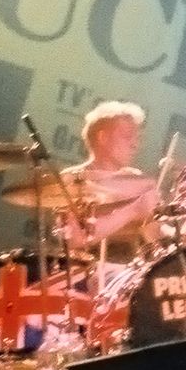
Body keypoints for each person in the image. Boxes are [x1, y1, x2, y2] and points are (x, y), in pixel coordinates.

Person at [59, 101, 161, 264]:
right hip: (86, 269)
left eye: (137, 138)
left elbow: (155, 235)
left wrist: (181, 235)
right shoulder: (71, 179)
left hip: (130, 272)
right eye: (127, 136)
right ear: (103, 138)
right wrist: (132, 210)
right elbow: (74, 240)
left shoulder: (137, 179)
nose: (135, 144)